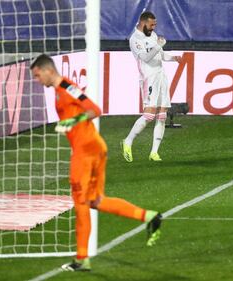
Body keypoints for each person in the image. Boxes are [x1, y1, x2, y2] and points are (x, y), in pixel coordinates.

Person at [30, 54, 162, 272]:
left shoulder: (66, 87)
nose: (37, 80)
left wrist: (74, 120)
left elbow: (95, 110)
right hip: (95, 148)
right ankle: (149, 216)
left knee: (81, 204)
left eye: (37, 75)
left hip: (85, 152)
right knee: (96, 201)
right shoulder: (59, 90)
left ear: (48, 70)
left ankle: (82, 259)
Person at [121, 11, 181, 162]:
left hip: (161, 77)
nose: (154, 27)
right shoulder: (135, 39)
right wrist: (159, 45)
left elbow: (160, 55)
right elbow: (146, 58)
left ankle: (154, 152)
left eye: (155, 24)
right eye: (151, 24)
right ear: (143, 22)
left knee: (162, 115)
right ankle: (128, 141)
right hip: (149, 78)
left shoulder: (152, 35)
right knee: (149, 115)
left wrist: (173, 58)